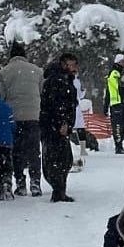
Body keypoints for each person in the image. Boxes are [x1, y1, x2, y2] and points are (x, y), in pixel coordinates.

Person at [0, 42, 44, 196]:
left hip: (13, 117)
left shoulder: (3, 73)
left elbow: (0, 96)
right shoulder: (37, 71)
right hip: (33, 116)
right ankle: (35, 182)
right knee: (34, 151)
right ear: (24, 55)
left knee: (16, 152)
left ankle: (20, 183)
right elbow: (42, 91)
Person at [39, 52, 79, 202]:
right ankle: (58, 190)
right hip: (54, 127)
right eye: (72, 64)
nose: (75, 68)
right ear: (64, 65)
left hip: (58, 126)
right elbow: (56, 105)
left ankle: (60, 189)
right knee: (58, 160)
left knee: (64, 160)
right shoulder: (56, 81)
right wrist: (61, 122)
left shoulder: (66, 81)